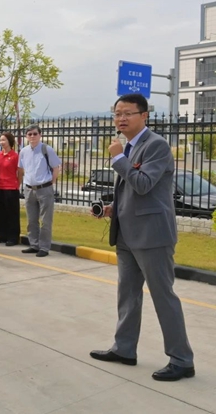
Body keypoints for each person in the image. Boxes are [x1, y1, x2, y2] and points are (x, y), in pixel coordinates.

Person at [90, 93, 195, 382]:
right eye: (117, 114)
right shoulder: (129, 147)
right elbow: (133, 192)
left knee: (163, 297)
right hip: (127, 234)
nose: (121, 119)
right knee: (127, 295)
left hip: (152, 236)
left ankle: (182, 360)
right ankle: (124, 349)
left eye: (127, 113)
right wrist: (113, 208)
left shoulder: (156, 145)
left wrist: (118, 158)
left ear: (144, 115)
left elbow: (144, 184)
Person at [18, 124, 60, 257]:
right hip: (29, 189)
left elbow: (56, 168)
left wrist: (51, 182)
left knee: (46, 221)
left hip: (44, 189)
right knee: (31, 220)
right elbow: (21, 169)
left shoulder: (47, 149)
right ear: (26, 136)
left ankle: (44, 247)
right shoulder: (23, 151)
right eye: (29, 134)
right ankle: (34, 244)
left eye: (35, 134)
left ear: (40, 135)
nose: (32, 136)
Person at [0, 132, 21, 246]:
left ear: (10, 141)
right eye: (1, 140)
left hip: (11, 188)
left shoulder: (15, 156)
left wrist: (17, 184)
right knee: (0, 213)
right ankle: (1, 235)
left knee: (12, 214)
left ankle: (13, 237)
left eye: (4, 140)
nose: (2, 142)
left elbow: (20, 172)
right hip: (0, 186)